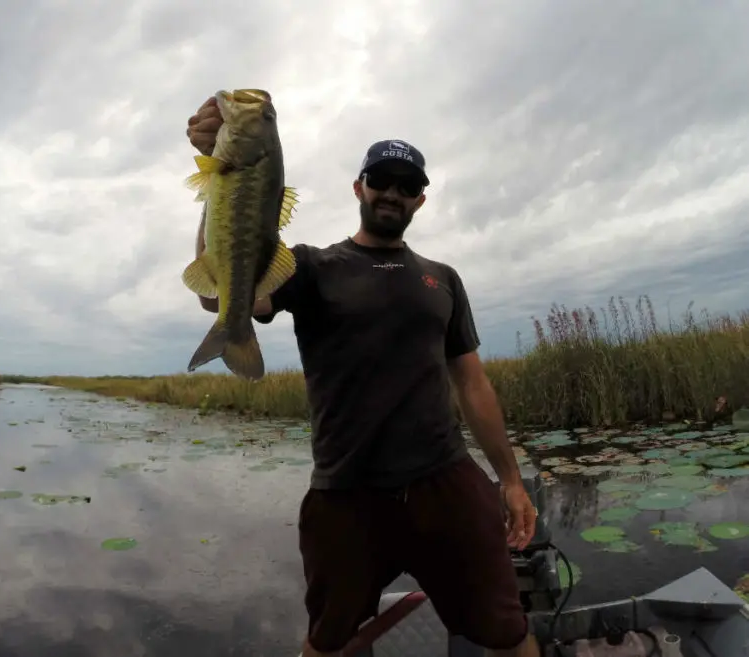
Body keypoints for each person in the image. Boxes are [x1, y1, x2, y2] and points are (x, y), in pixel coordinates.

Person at [186, 96, 540, 657]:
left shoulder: (442, 280)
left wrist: (511, 481)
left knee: (508, 632)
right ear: (359, 187)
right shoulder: (309, 267)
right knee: (329, 642)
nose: (392, 193)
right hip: (346, 493)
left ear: (420, 198)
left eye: (406, 184)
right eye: (381, 180)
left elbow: (473, 384)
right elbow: (218, 299)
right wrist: (217, 184)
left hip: (445, 479)